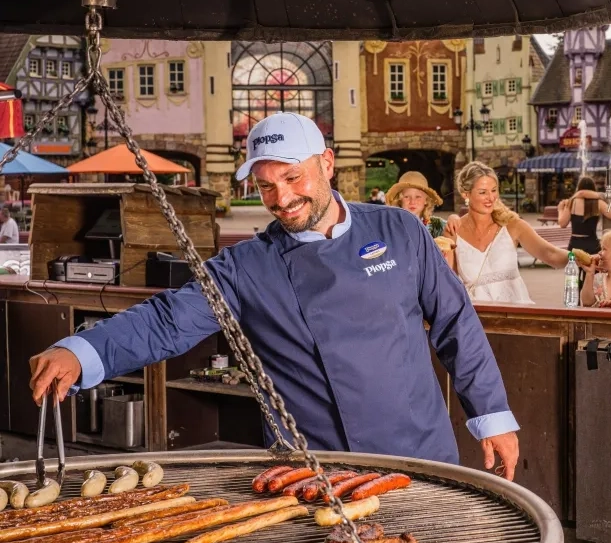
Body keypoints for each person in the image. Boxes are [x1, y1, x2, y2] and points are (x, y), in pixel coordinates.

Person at [28, 113, 520, 478]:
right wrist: (81, 350)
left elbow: (457, 325)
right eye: (265, 186)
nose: (281, 199)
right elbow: (167, 320)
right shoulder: (247, 265)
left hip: (419, 451)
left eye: (292, 177)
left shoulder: (399, 230)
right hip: (312, 466)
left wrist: (491, 414)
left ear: (327, 163)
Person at [447, 161, 569, 304]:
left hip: (516, 317)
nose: (491, 198)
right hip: (475, 319)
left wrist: (580, 257)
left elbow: (550, 254)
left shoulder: (513, 225)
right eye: (482, 192)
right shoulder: (453, 231)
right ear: (465, 194)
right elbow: (447, 283)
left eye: (494, 190)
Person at [558, 176, 611, 288]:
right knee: (591, 275)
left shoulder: (572, 202)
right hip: (592, 243)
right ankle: (589, 300)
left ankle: (574, 300)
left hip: (575, 243)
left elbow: (562, 223)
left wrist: (560, 210)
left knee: (573, 275)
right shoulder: (598, 203)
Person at [580, 229, 611, 308]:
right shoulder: (598, 278)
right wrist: (590, 274)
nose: (599, 253)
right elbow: (587, 303)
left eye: (604, 249)